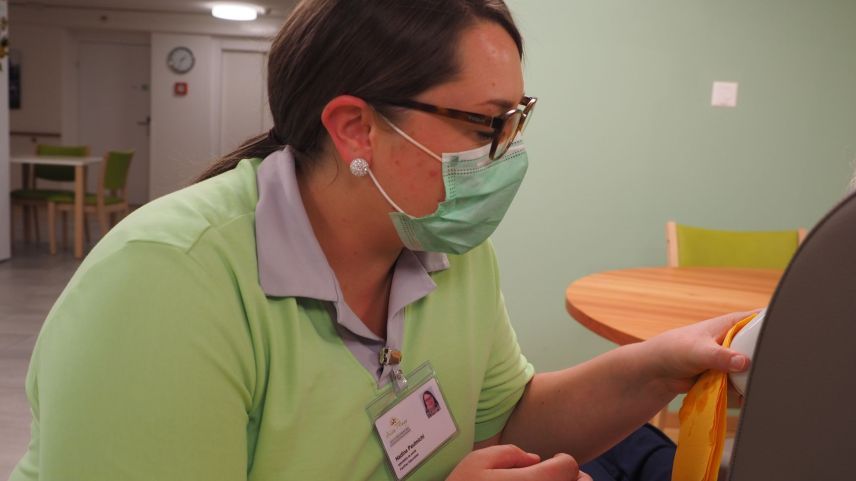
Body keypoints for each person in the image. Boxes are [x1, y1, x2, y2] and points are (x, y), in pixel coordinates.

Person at [9, 1, 750, 480]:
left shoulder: (447, 249)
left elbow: (508, 413)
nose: (507, 152)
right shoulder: (166, 284)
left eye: (515, 119)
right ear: (355, 127)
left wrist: (657, 368)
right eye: (484, 125)